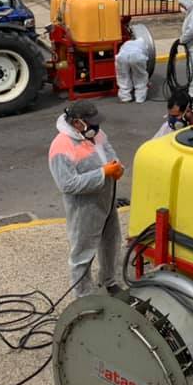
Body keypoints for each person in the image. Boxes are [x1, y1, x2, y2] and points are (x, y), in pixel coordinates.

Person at [49, 100, 125, 298]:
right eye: (91, 123)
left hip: (107, 200)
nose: (96, 127)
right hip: (84, 208)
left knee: (110, 242)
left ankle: (109, 280)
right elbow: (67, 184)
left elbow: (109, 152)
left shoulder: (95, 134)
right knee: (82, 253)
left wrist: (117, 167)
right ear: (76, 123)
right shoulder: (61, 147)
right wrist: (102, 173)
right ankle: (83, 295)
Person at [115, 28, 150, 104]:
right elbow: (146, 60)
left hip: (122, 56)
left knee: (123, 76)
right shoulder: (143, 42)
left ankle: (125, 97)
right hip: (137, 56)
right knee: (140, 76)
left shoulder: (127, 43)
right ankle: (140, 98)